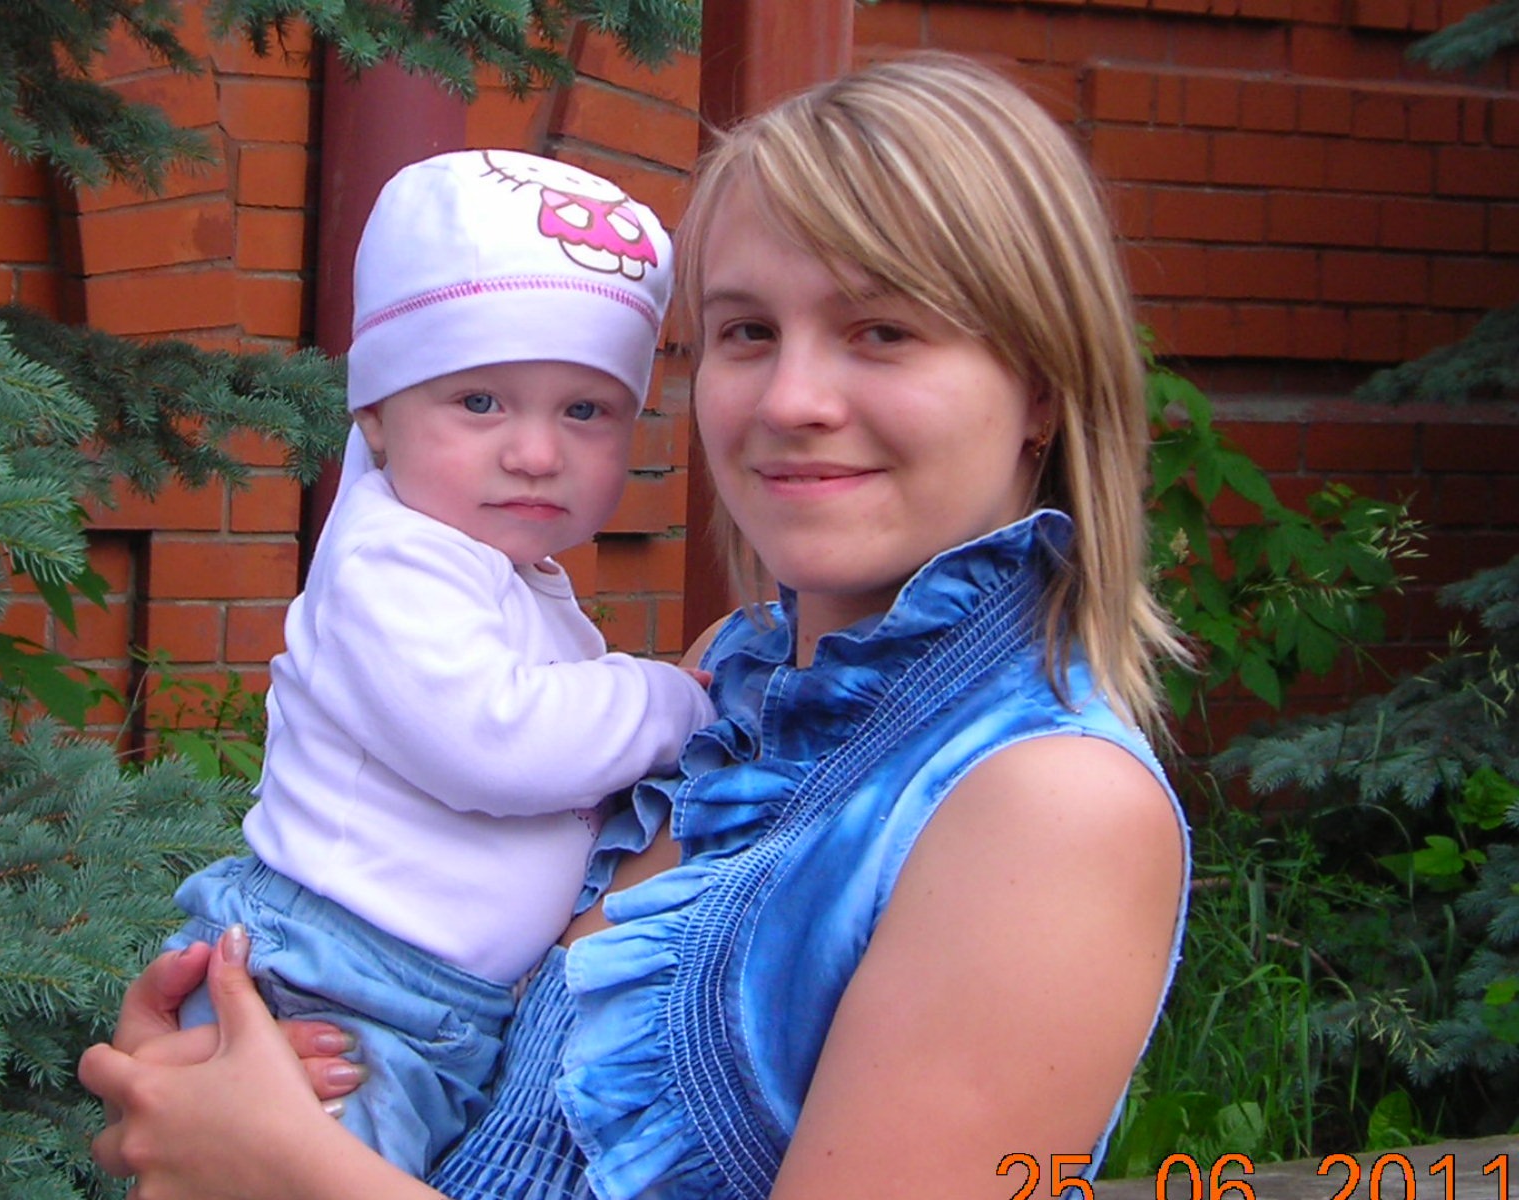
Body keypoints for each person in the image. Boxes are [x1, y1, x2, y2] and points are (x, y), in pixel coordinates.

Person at [80, 51, 1193, 1200]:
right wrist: (216, 1083)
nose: (789, 400)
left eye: (881, 330)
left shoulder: (1048, 804)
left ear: (1041, 383)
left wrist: (286, 1168)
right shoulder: (729, 680)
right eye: (745, 331)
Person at [156, 147, 717, 1176]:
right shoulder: (394, 561)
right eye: (480, 402)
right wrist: (662, 698)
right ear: (375, 412)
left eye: (585, 410)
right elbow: (496, 740)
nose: (536, 453)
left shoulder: (496, 568)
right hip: (338, 988)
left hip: (423, 1003)